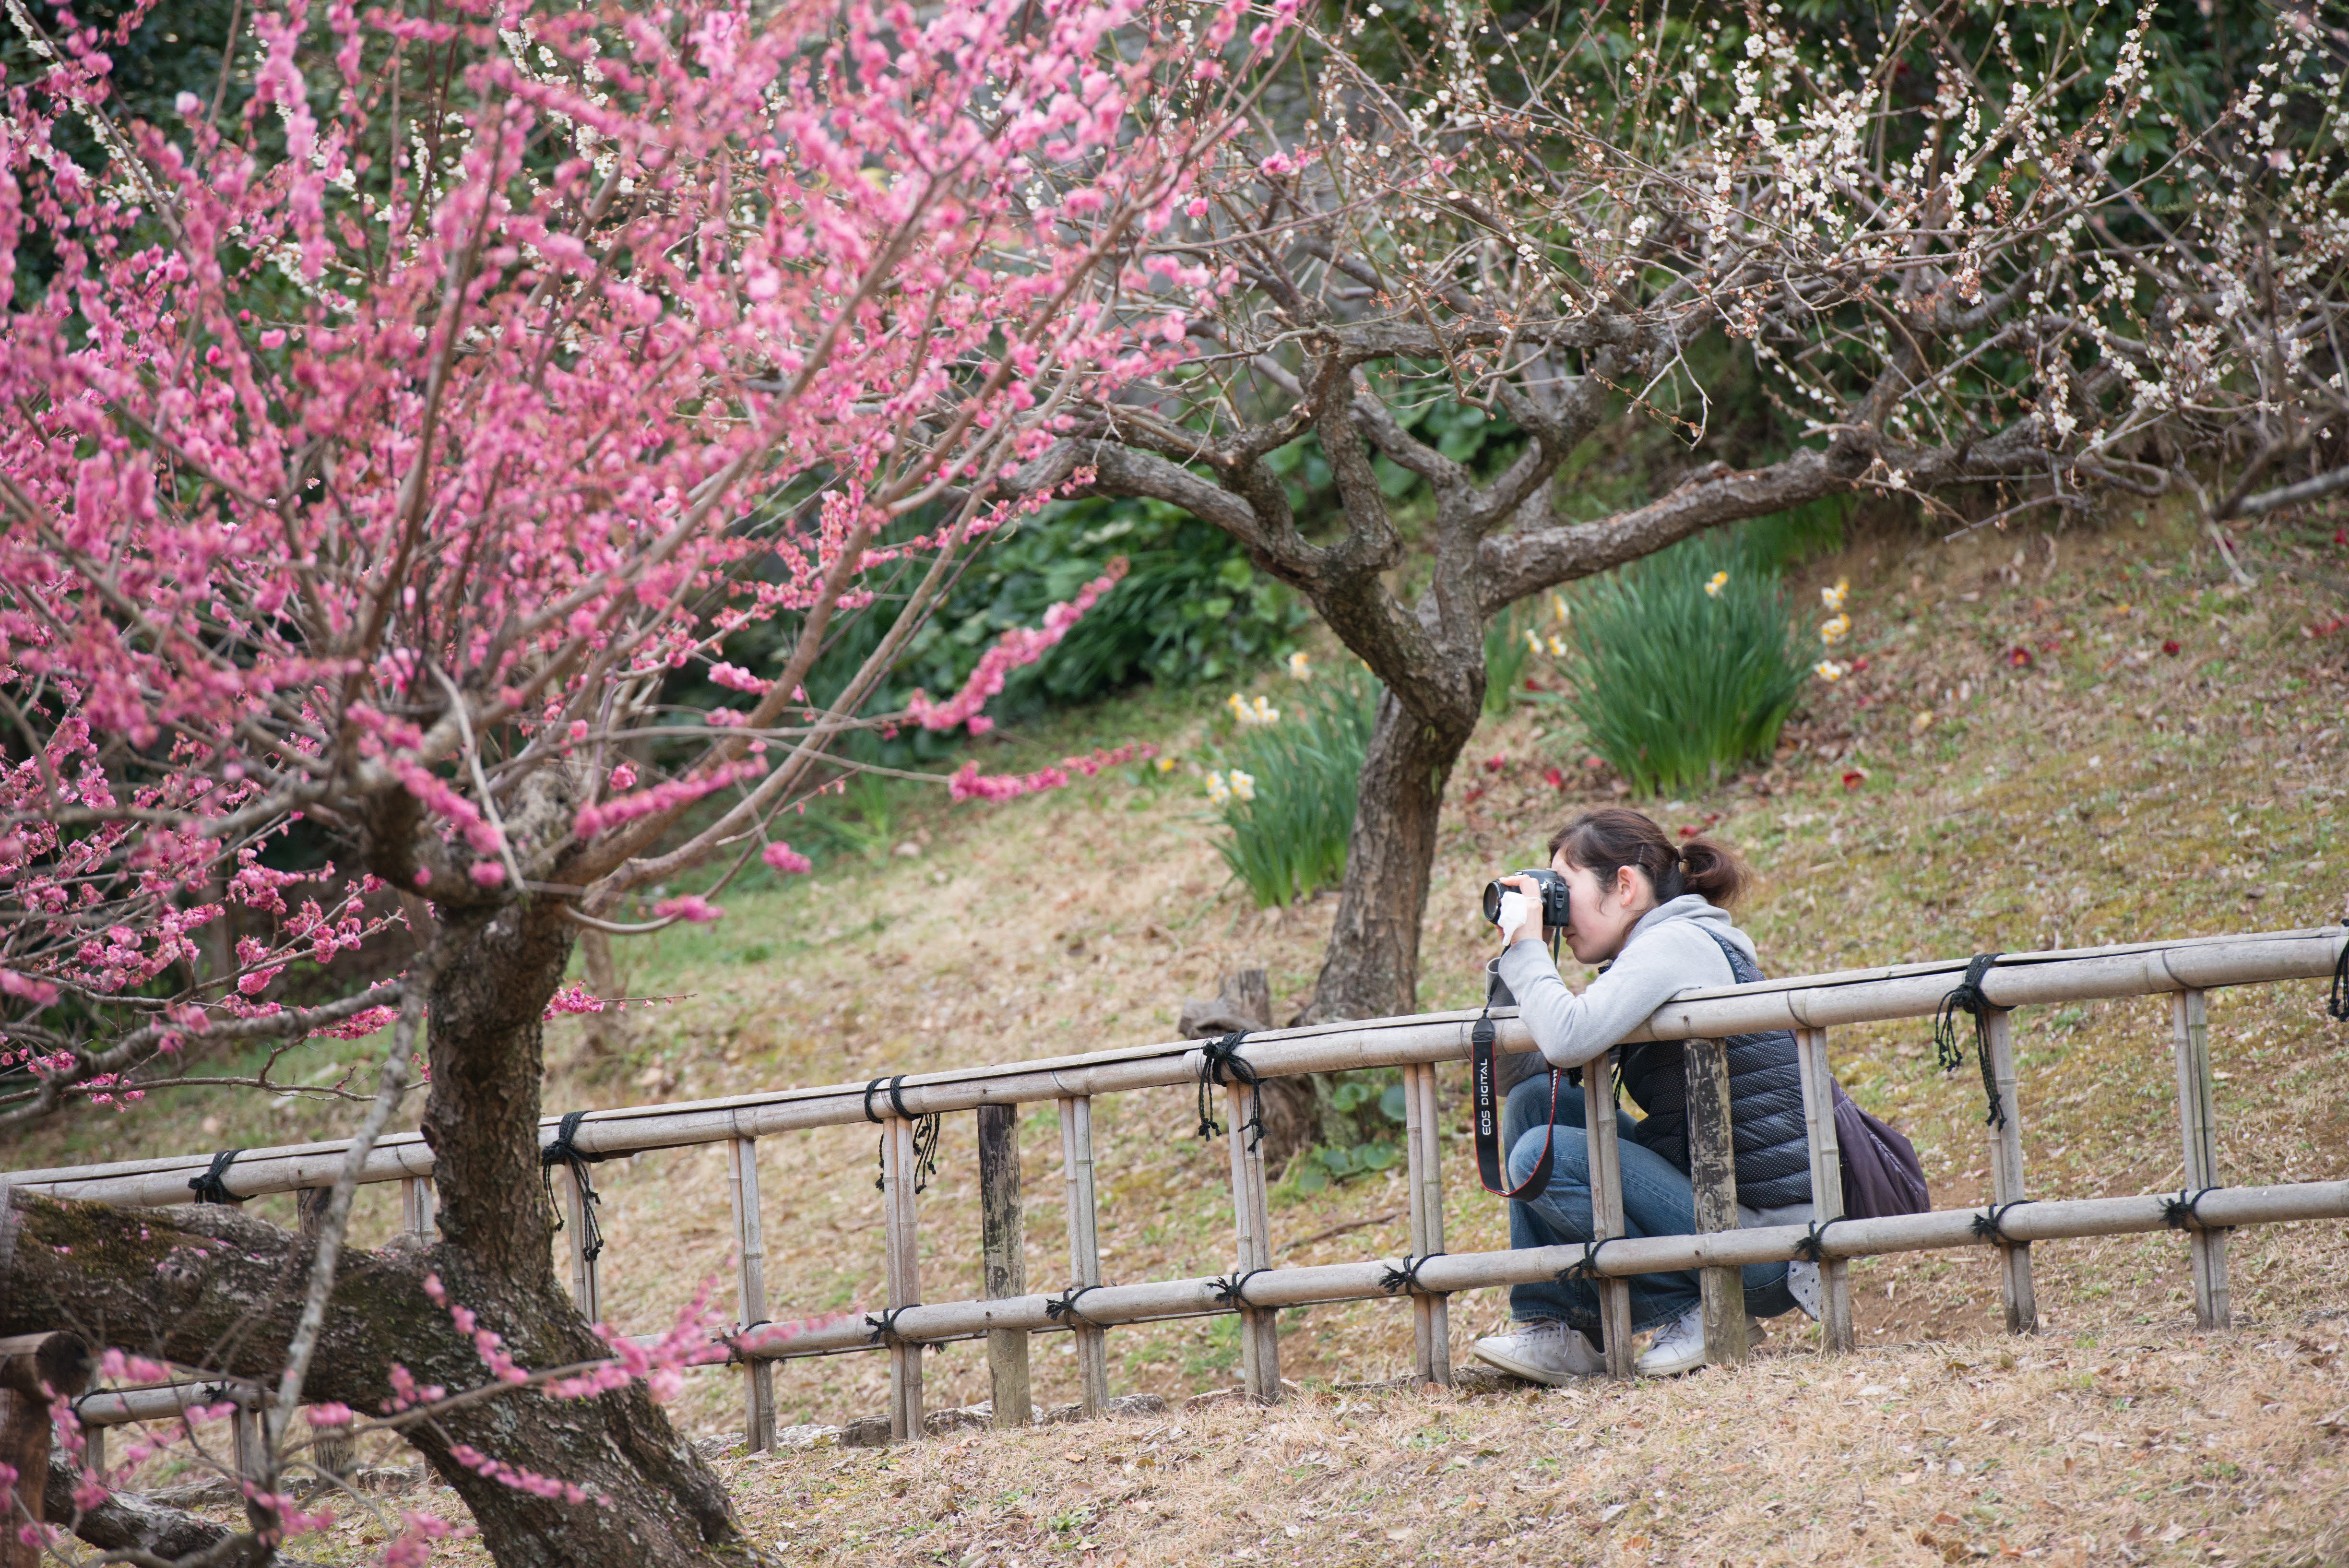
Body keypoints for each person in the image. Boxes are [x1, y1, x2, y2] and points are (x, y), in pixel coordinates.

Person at [1469, 807, 1820, 1383]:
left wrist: (1531, 947)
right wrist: (1517, 952)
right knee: (1535, 1103)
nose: (1557, 904)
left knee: (1540, 1157)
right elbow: (1528, 1075)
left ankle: (1697, 1311)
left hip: (1767, 1246)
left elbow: (1569, 1035)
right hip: (1715, 1208)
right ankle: (1565, 1330)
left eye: (1566, 887)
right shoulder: (1644, 955)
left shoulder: (1679, 942)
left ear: (1625, 885)